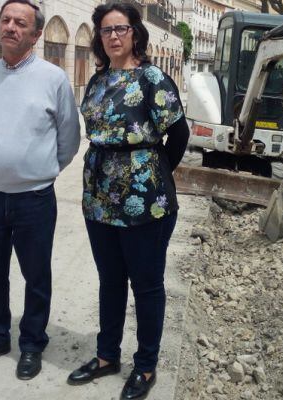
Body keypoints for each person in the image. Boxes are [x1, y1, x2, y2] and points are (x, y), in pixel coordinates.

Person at [66, 2, 189, 399]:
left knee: (147, 285)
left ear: (135, 32)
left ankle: (147, 366)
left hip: (145, 203)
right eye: (105, 30)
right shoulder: (98, 81)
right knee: (110, 281)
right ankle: (106, 356)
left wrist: (154, 174)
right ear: (99, 38)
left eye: (120, 28)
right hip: (99, 201)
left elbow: (180, 134)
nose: (113, 36)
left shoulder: (153, 78)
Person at [0, 0, 80, 380]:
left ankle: (31, 343)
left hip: (34, 199)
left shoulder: (53, 78)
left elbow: (69, 139)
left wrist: (40, 171)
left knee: (36, 276)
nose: (11, 27)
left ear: (36, 34)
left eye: (21, 23)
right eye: (6, 20)